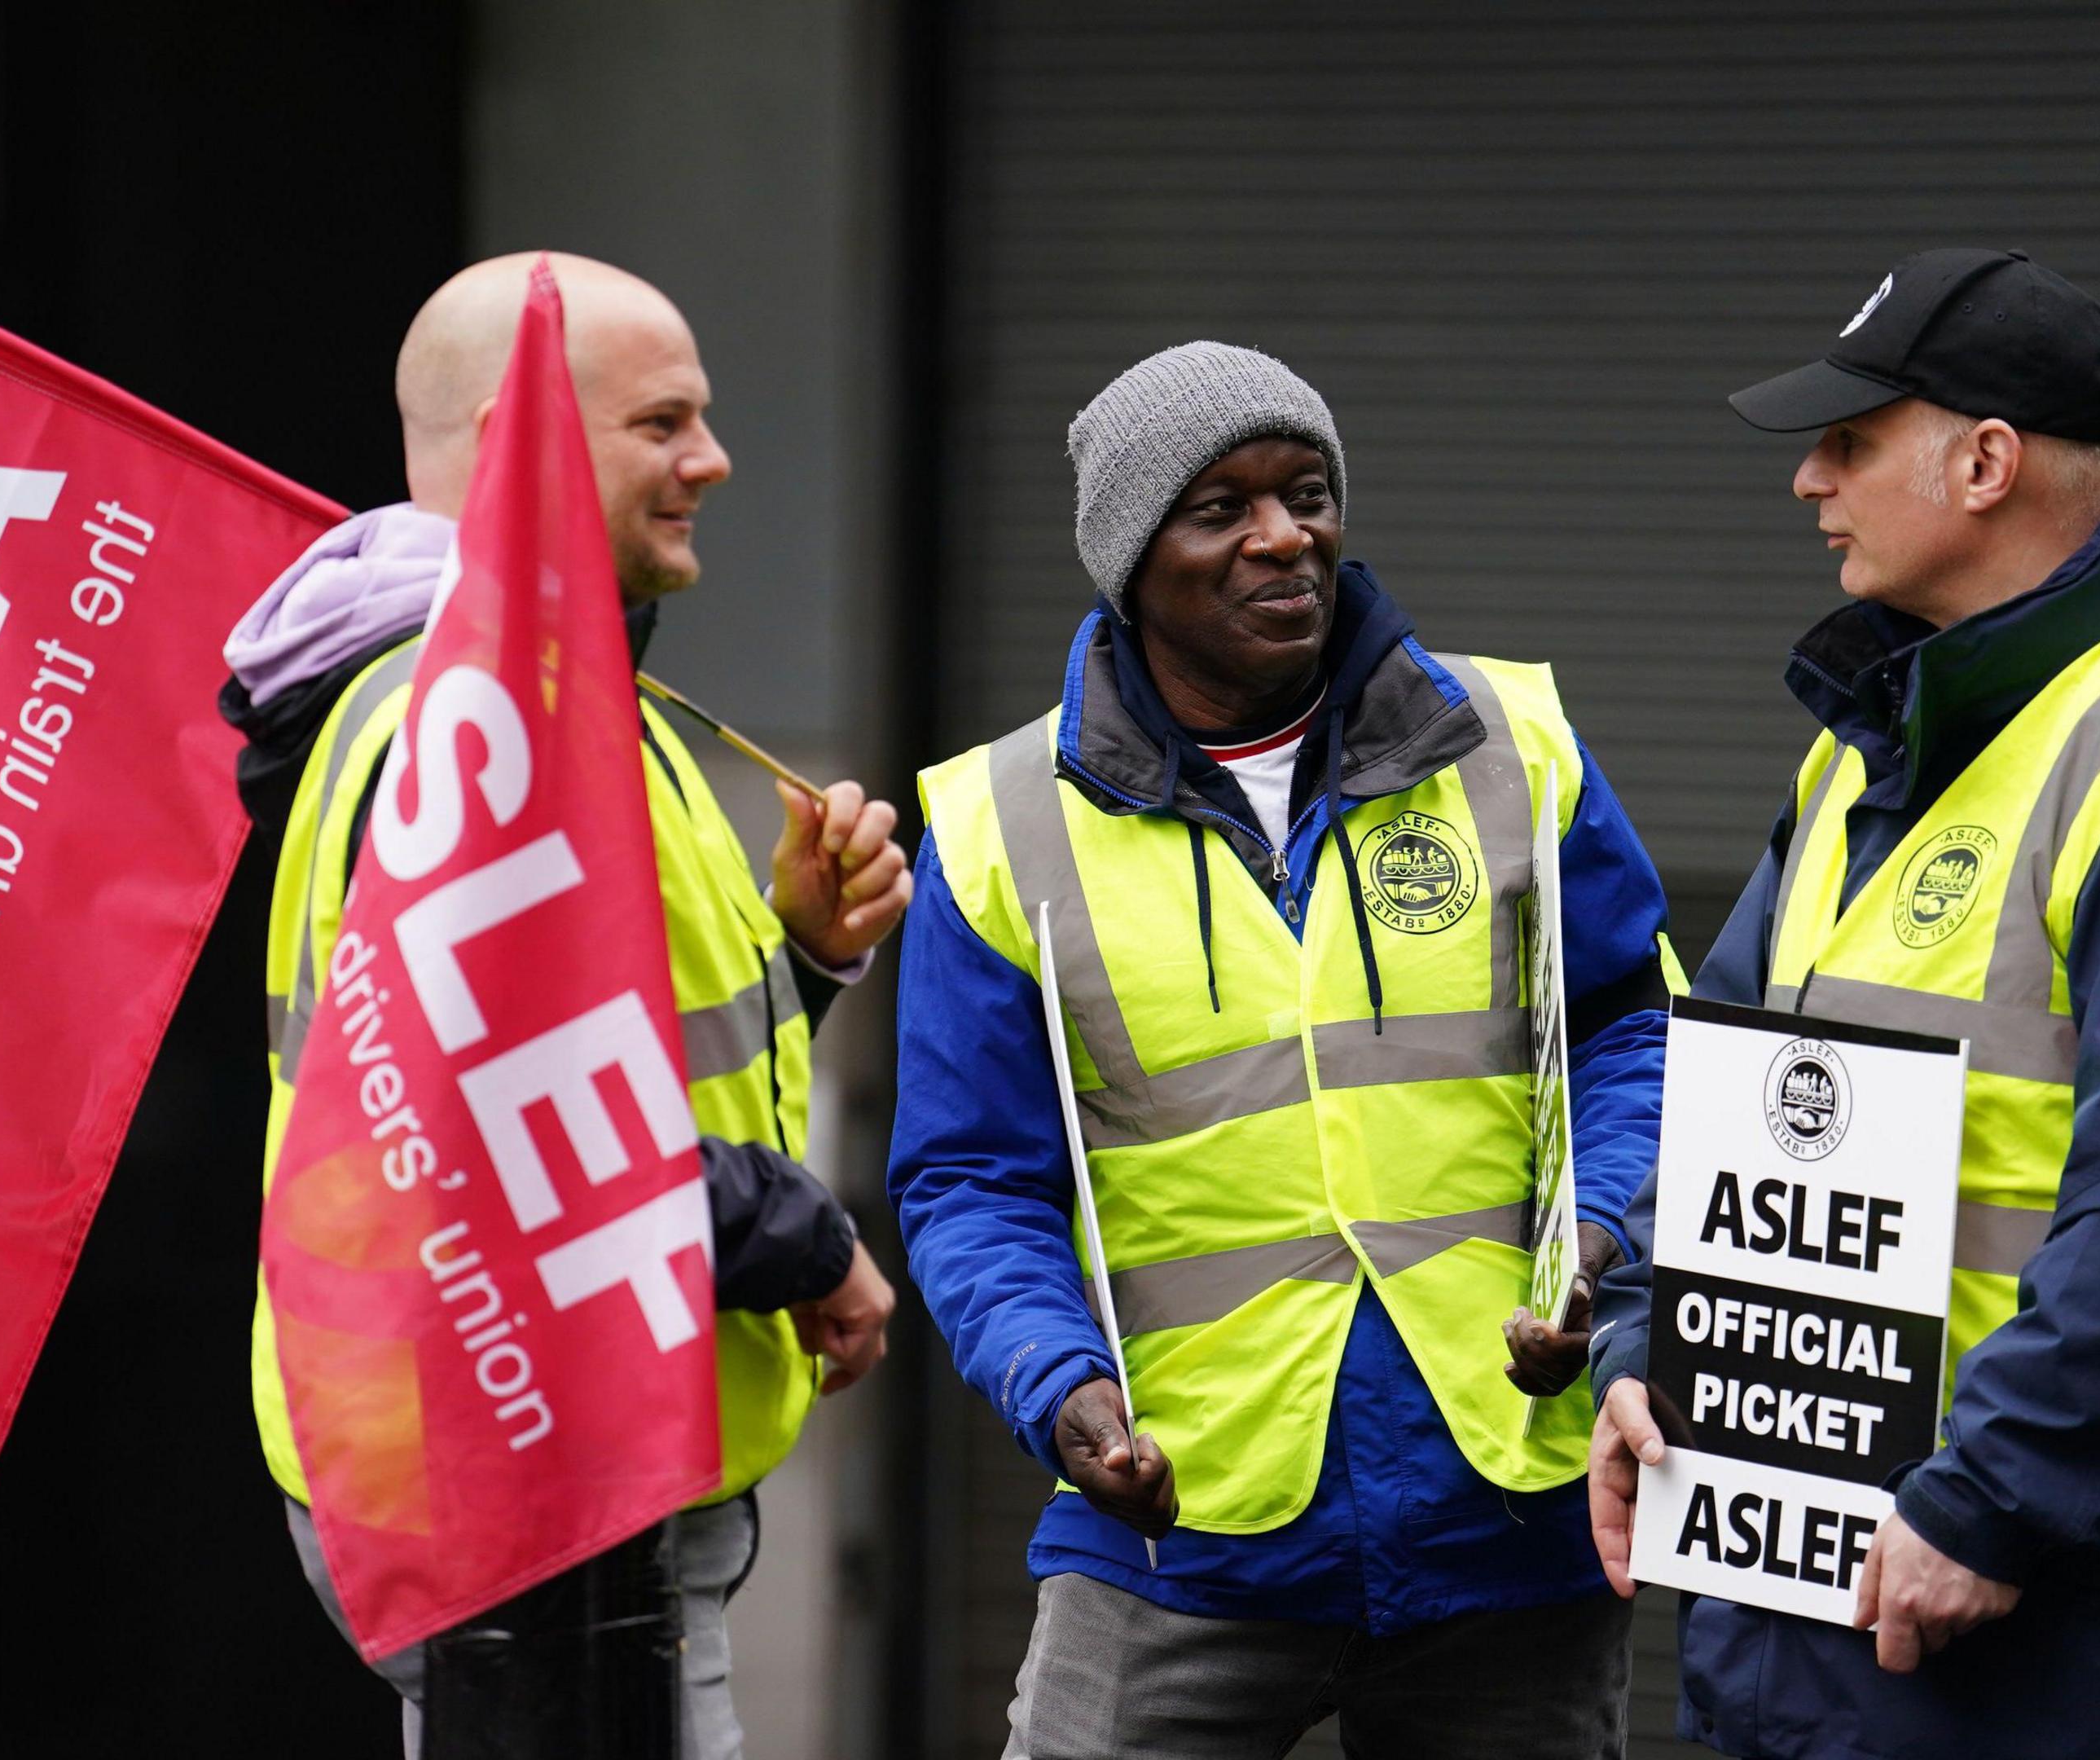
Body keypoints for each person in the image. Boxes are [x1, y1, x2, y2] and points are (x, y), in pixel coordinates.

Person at [887, 341, 1676, 1758]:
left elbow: (1637, 1035)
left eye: (1307, 493)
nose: (1283, 537)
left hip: (1503, 1501)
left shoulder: (1509, 745)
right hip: (1180, 1520)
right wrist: (1056, 1384)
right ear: (1132, 560)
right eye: (1222, 509)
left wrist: (1604, 1240)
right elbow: (970, 1179)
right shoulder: (1001, 829)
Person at [219, 252, 911, 1758]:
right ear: (512, 430)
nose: (713, 461)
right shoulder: (476, 725)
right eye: (662, 423)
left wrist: (805, 955)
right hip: (539, 1468)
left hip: (533, 1447)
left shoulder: (519, 694)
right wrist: (808, 1240)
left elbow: (586, 1062)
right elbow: (491, 1127)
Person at [1585, 249, 2100, 1757]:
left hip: (2037, 1634)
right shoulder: (1866, 747)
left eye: (1849, 442)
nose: (1809, 483)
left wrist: (1991, 1503)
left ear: (1984, 463)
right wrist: (1638, 1353)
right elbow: (1725, 1099)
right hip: (1795, 1624)